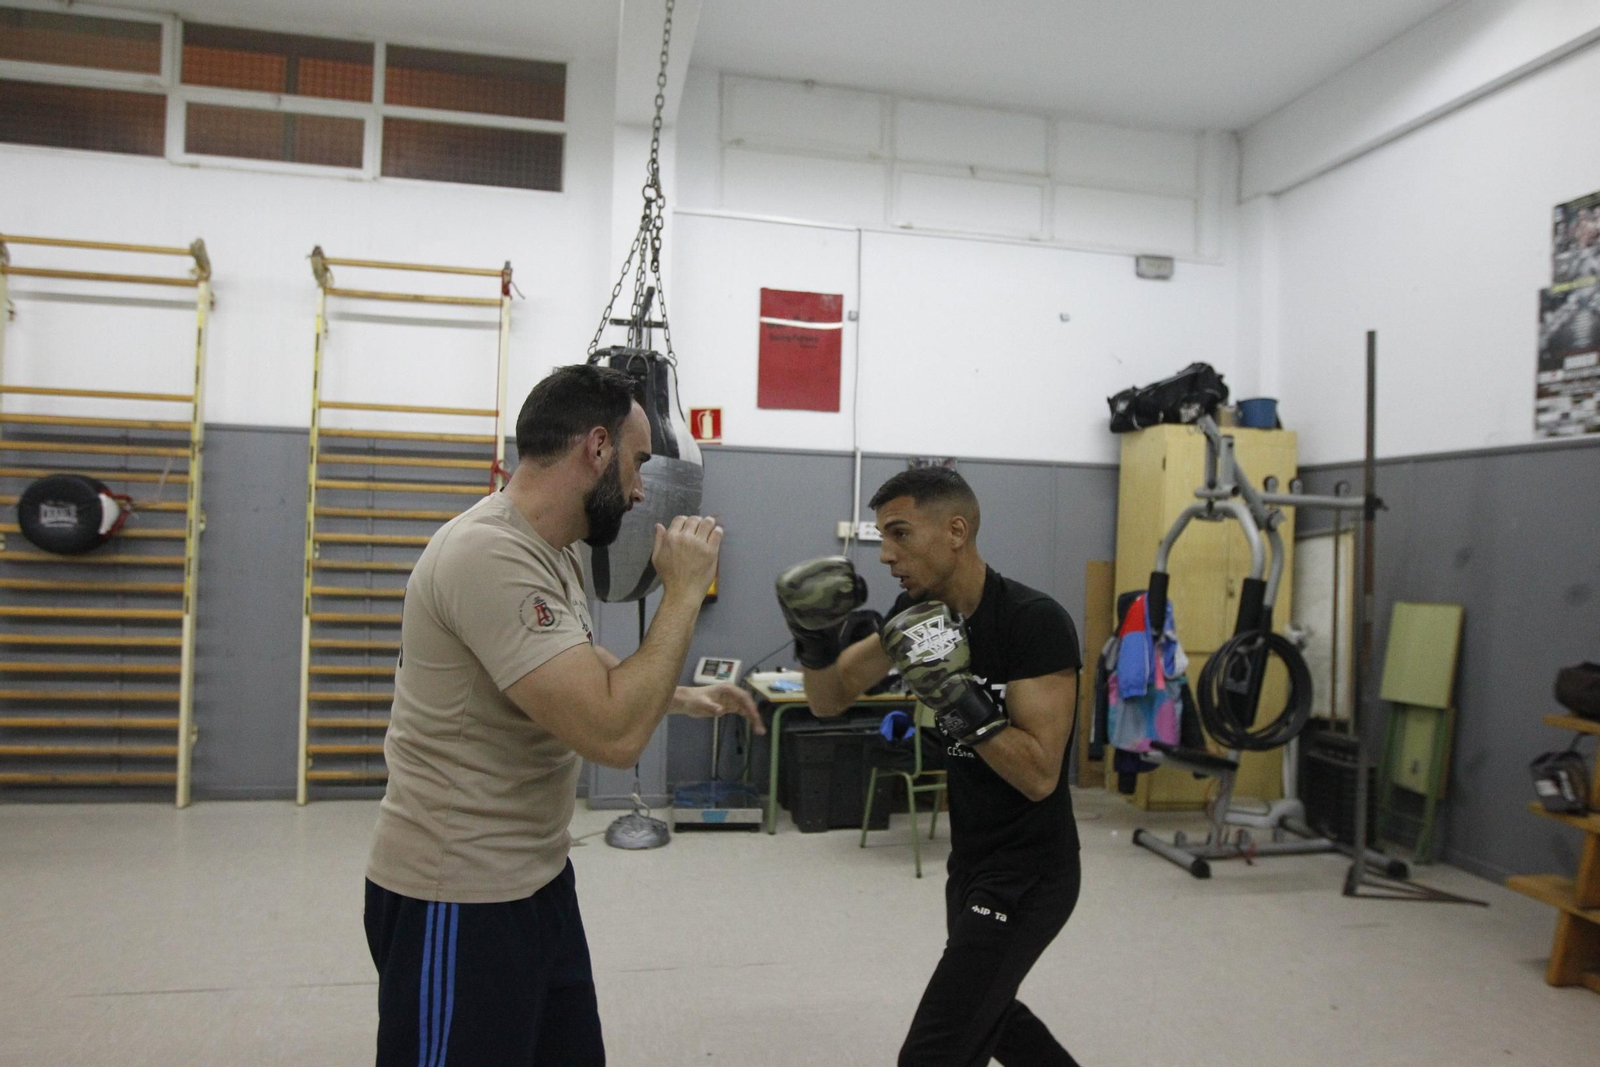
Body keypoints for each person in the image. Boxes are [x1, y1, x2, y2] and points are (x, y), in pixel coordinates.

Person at [365, 363, 762, 1066]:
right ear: (599, 448)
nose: (640, 489)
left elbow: (573, 668)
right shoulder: (488, 552)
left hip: (537, 879)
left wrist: (679, 695)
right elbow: (611, 733)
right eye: (638, 462)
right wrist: (682, 595)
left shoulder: (553, 550)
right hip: (457, 893)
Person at [776, 466, 1084, 1067]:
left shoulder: (1032, 621)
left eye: (899, 533)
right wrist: (812, 639)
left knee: (935, 1051)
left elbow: (1040, 773)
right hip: (970, 862)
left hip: (1029, 873)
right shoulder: (912, 612)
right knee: (993, 1013)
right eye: (880, 536)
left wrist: (958, 697)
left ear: (956, 530)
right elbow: (828, 699)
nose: (886, 553)